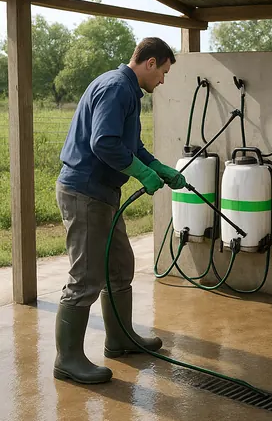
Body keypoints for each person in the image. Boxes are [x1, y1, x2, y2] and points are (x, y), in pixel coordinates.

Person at [53, 37, 186, 384]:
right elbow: (104, 142)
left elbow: (131, 145)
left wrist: (159, 167)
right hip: (85, 192)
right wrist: (142, 174)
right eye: (164, 73)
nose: (162, 81)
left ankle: (120, 339)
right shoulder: (117, 88)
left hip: (103, 193)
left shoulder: (128, 90)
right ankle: (67, 360)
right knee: (86, 277)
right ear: (151, 63)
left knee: (120, 266)